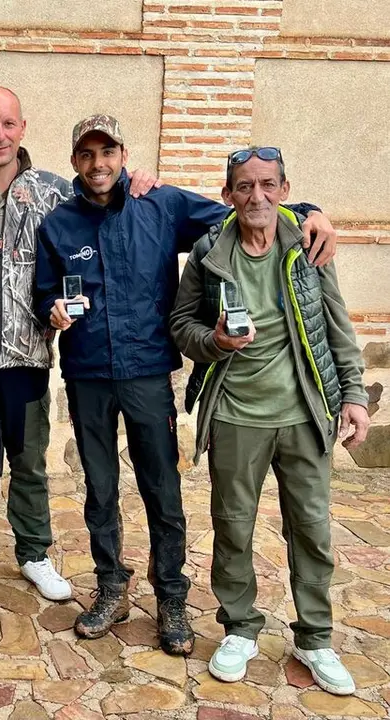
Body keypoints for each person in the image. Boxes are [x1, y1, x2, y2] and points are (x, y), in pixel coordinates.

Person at [34, 115, 338, 656]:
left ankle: (171, 596)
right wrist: (52, 310)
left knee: (161, 489)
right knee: (100, 489)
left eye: (109, 152)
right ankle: (110, 588)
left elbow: (244, 209)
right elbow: (43, 294)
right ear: (75, 160)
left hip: (149, 371)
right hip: (87, 374)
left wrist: (311, 213)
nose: (99, 163)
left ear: (123, 155)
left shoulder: (163, 204)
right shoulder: (57, 224)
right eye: (88, 154)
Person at [0, 88, 158, 602]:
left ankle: (34, 554)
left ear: (23, 128)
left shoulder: (53, 194)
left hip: (29, 356)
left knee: (28, 462)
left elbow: (104, 201)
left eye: (8, 124)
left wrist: (143, 183)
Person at [170, 146, 368, 694]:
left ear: (283, 189)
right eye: (244, 187)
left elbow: (337, 325)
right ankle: (240, 628)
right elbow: (180, 324)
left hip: (304, 412)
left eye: (266, 185)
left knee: (312, 528)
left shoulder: (307, 245)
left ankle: (315, 637)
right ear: (228, 194)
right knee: (233, 526)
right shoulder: (209, 250)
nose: (255, 196)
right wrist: (213, 342)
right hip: (236, 414)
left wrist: (353, 394)